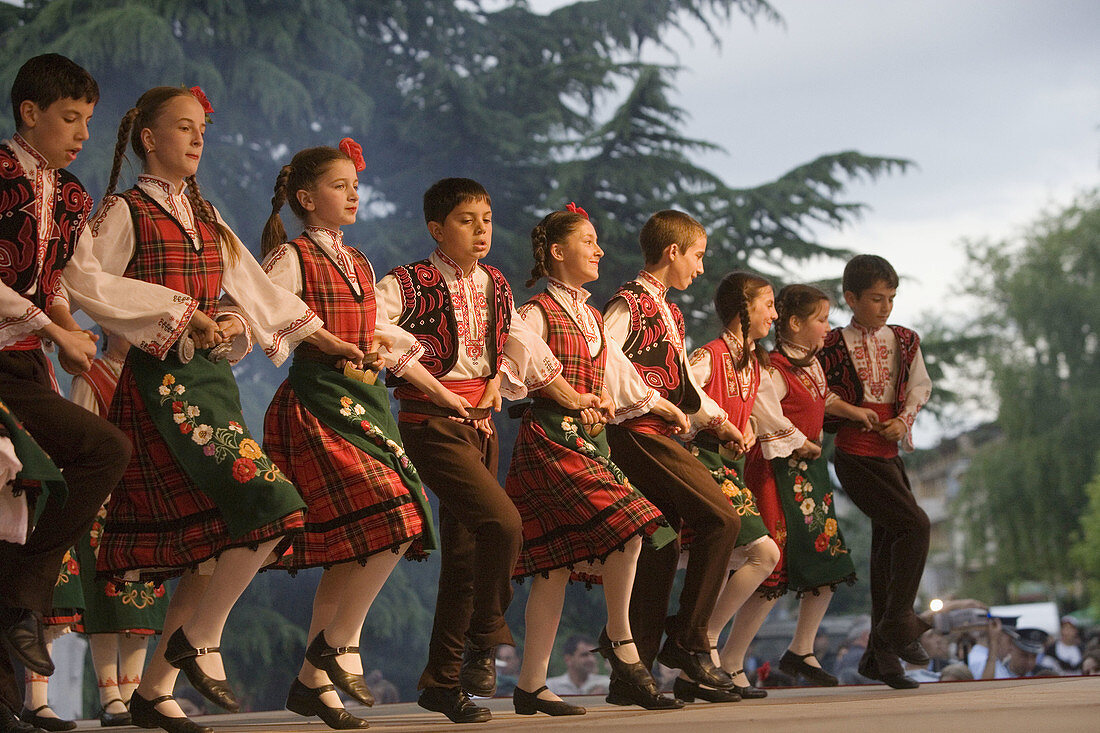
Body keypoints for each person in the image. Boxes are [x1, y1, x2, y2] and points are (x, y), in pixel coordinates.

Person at [65, 86, 360, 733]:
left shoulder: (207, 214)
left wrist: (229, 319)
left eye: (202, 129)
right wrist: (177, 312)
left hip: (211, 388)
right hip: (158, 391)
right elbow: (83, 279)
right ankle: (198, 643)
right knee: (270, 505)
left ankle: (157, 688)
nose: (198, 139)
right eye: (184, 127)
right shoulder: (125, 210)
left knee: (223, 535)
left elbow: (253, 289)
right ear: (148, 137)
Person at [375, 178, 592, 724]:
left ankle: (443, 682)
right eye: (466, 220)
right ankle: (484, 639)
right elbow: (374, 329)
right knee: (504, 525)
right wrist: (436, 386)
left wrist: (508, 380)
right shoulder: (409, 282)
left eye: (486, 220)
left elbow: (521, 347)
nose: (480, 230)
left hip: (479, 426)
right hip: (432, 423)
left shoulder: (495, 282)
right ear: (436, 229)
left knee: (468, 557)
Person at [260, 143, 459, 729]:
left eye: (354, 185)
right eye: (340, 185)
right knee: (400, 516)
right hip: (318, 403)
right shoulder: (290, 258)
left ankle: (313, 682)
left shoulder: (359, 263)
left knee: (357, 543)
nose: (353, 194)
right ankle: (336, 646)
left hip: (363, 404)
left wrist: (444, 395)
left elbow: (380, 337)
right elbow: (260, 313)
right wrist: (320, 340)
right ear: (305, 197)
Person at [507, 205, 684, 715]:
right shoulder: (537, 311)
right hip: (550, 439)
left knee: (554, 565)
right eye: (588, 241)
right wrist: (569, 395)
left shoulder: (588, 314)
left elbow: (610, 374)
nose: (600, 249)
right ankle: (622, 644)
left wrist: (605, 399)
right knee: (636, 523)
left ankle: (531, 684)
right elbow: (518, 367)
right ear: (558, 252)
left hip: (590, 440)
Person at [0, 53, 132, 733]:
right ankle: (22, 601)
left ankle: (20, 605)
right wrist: (50, 327)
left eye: (87, 119)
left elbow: (49, 278)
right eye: (69, 118)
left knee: (34, 497)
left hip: (24, 364)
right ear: (31, 113)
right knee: (92, 457)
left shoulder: (73, 194)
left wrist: (69, 330)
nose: (82, 132)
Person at [602, 210, 743, 694]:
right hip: (637, 431)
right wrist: (656, 402)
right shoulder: (629, 304)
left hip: (657, 430)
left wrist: (717, 421)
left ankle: (630, 668)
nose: (700, 269)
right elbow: (605, 359)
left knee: (661, 543)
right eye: (698, 256)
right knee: (722, 519)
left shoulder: (668, 309)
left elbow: (682, 378)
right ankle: (686, 641)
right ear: (673, 252)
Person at [728, 285, 863, 691]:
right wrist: (802, 441)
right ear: (795, 323)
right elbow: (765, 417)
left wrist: (855, 412)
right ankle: (729, 657)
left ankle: (802, 648)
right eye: (822, 320)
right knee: (772, 572)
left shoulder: (813, 366)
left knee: (826, 561)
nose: (827, 327)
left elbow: (822, 400)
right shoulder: (772, 369)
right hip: (775, 474)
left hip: (811, 474)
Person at [820, 254, 932, 689]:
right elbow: (819, 392)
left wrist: (904, 420)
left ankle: (880, 658)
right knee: (916, 526)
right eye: (876, 299)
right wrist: (853, 412)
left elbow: (920, 385)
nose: (885, 307)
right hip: (853, 453)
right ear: (851, 298)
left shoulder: (905, 340)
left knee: (889, 544)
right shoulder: (830, 343)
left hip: (890, 454)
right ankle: (897, 625)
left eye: (891, 298)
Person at [682, 272, 783, 703]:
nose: (775, 314)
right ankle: (701, 638)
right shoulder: (710, 355)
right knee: (765, 553)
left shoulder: (752, 361)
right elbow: (682, 398)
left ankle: (697, 667)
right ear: (744, 308)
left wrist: (749, 428)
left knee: (726, 561)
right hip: (703, 462)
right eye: (769, 304)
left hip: (730, 467)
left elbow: (753, 414)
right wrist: (715, 425)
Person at [70, 332, 170, 729]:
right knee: (106, 600)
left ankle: (134, 692)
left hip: (145, 498)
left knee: (141, 596)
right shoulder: (91, 377)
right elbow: (80, 440)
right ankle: (110, 694)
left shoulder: (151, 377)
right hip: (103, 501)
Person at [545, 635, 610, 696]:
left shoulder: (606, 684)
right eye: (584, 655)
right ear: (568, 659)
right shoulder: (551, 687)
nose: (591, 659)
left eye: (593, 655)